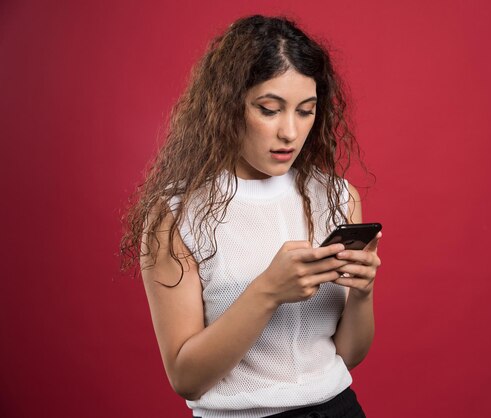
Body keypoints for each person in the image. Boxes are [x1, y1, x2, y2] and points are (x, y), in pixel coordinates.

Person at [121, 15, 382, 418]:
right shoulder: (177, 216)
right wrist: (268, 292)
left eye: (305, 111)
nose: (290, 133)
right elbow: (186, 378)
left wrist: (362, 292)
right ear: (227, 106)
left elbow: (348, 354)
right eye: (269, 109)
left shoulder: (336, 196)